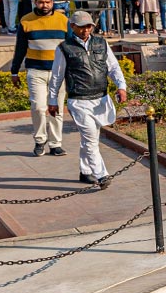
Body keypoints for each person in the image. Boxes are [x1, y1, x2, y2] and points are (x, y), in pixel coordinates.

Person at [46, 10, 129, 187]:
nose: (86, 30)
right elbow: (56, 77)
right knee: (91, 137)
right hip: (79, 100)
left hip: (101, 99)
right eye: (82, 27)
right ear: (73, 26)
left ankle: (85, 171)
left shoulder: (101, 43)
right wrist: (52, 101)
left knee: (90, 137)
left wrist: (121, 87)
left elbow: (113, 68)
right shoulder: (64, 48)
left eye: (89, 26)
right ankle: (102, 175)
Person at [7, 0, 70, 158]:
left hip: (58, 72)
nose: (44, 5)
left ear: (52, 2)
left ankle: (56, 144)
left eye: (48, 2)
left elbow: (71, 48)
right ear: (35, 2)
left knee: (56, 109)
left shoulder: (63, 20)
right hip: (36, 71)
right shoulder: (26, 21)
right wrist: (14, 71)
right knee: (38, 107)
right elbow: (20, 48)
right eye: (41, 2)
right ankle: (40, 140)